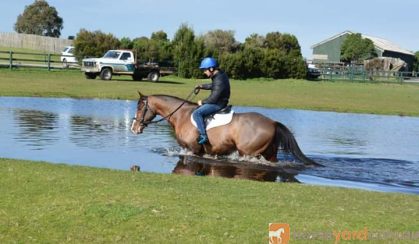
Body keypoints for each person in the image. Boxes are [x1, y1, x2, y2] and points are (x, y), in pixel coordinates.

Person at [193, 57, 231, 145]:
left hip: (218, 104)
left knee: (197, 113)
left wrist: (202, 102)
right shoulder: (219, 75)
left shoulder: (218, 79)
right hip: (220, 101)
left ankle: (203, 136)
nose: (204, 72)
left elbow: (213, 98)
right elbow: (214, 85)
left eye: (205, 70)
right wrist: (201, 86)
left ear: (211, 68)